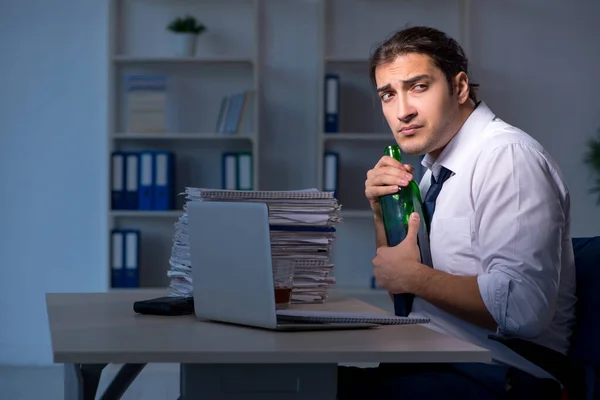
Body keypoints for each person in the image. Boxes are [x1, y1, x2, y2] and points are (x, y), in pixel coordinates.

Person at [337, 26, 577, 399]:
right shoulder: (436, 171)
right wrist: (383, 213)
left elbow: (523, 310)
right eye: (388, 94)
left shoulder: (507, 158)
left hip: (501, 376)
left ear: (460, 87)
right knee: (294, 383)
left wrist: (414, 276)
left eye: (419, 87)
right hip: (430, 361)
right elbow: (403, 296)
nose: (403, 111)